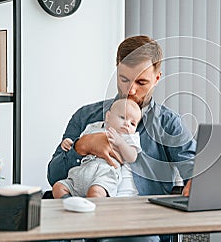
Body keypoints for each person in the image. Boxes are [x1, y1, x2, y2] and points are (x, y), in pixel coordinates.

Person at [47, 35, 195, 242]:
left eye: (141, 82)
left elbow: (194, 169)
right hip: (82, 215)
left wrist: (195, 181)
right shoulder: (86, 116)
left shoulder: (168, 123)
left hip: (139, 221)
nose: (130, 90)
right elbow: (53, 176)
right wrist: (83, 146)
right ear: (116, 69)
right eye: (124, 79)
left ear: (157, 78)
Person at [52, 98, 142, 198]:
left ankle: (90, 211)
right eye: (122, 117)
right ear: (108, 116)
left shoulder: (129, 137)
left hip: (105, 175)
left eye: (133, 123)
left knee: (96, 193)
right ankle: (72, 204)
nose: (127, 124)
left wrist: (120, 143)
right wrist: (70, 144)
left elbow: (132, 157)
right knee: (58, 187)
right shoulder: (93, 127)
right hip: (81, 172)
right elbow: (79, 144)